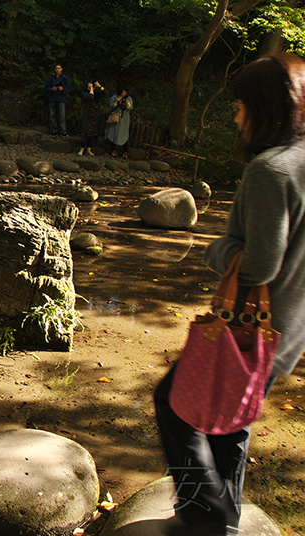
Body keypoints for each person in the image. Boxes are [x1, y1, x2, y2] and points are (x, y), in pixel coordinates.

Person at [154, 53, 305, 536]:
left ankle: (208, 518)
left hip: (244, 330)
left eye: (241, 105)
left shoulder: (271, 170)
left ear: (264, 108)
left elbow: (259, 264)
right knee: (231, 425)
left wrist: (217, 249)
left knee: (175, 405)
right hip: (287, 330)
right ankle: (229, 521)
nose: (236, 116)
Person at [78, 80, 106, 156]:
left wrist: (99, 86)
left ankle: (89, 149)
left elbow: (105, 93)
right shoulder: (86, 94)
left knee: (92, 133)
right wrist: (91, 89)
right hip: (87, 116)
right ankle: (82, 149)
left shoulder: (97, 95)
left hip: (95, 116)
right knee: (85, 133)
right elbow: (90, 97)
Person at [104, 87, 132, 158]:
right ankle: (113, 150)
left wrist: (127, 103)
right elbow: (111, 105)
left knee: (123, 135)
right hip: (115, 118)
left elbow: (130, 108)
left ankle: (125, 151)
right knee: (113, 134)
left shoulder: (128, 98)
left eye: (125, 92)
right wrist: (116, 103)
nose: (124, 93)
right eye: (123, 92)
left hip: (123, 119)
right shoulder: (114, 97)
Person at [45, 63, 70, 137]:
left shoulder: (65, 78)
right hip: (53, 98)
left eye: (59, 68)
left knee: (62, 115)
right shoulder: (51, 78)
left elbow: (68, 88)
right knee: (52, 115)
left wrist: (63, 89)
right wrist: (52, 89)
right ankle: (54, 130)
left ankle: (63, 131)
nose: (57, 70)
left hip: (61, 99)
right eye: (56, 68)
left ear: (61, 69)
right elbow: (46, 87)